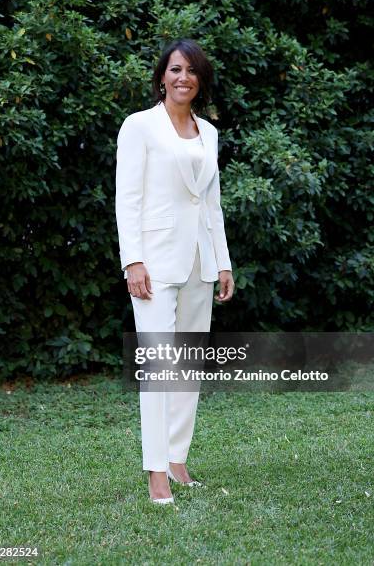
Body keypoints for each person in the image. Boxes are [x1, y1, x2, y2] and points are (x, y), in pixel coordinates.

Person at [115, 38, 234, 504]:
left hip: (200, 263)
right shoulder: (139, 126)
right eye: (175, 69)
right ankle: (156, 472)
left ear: (200, 81)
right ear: (162, 76)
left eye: (191, 71)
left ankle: (178, 458)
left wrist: (222, 262)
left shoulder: (209, 132)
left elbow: (211, 204)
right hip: (155, 263)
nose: (183, 77)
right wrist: (133, 260)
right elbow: (128, 199)